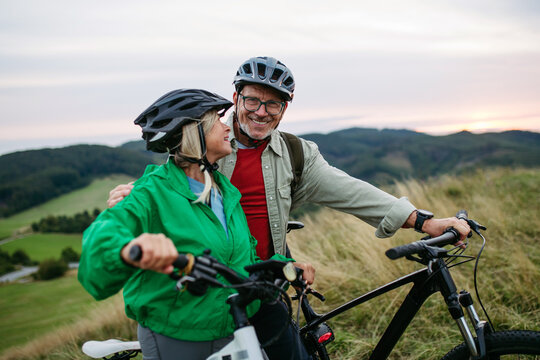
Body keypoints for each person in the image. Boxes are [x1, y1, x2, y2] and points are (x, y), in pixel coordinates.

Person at [107, 57, 471, 358]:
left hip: (264, 281)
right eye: (253, 100)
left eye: (274, 104)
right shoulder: (208, 141)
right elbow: (168, 179)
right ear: (236, 97)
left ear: (285, 108)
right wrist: (132, 195)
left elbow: (352, 192)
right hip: (203, 286)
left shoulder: (296, 154)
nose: (262, 112)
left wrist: (423, 221)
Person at [78, 89, 292, 360]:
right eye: (217, 121)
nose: (227, 128)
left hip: (234, 328)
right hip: (179, 335)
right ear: (196, 132)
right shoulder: (150, 192)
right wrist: (129, 249)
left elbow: (239, 259)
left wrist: (284, 264)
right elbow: (99, 243)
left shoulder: (224, 192)